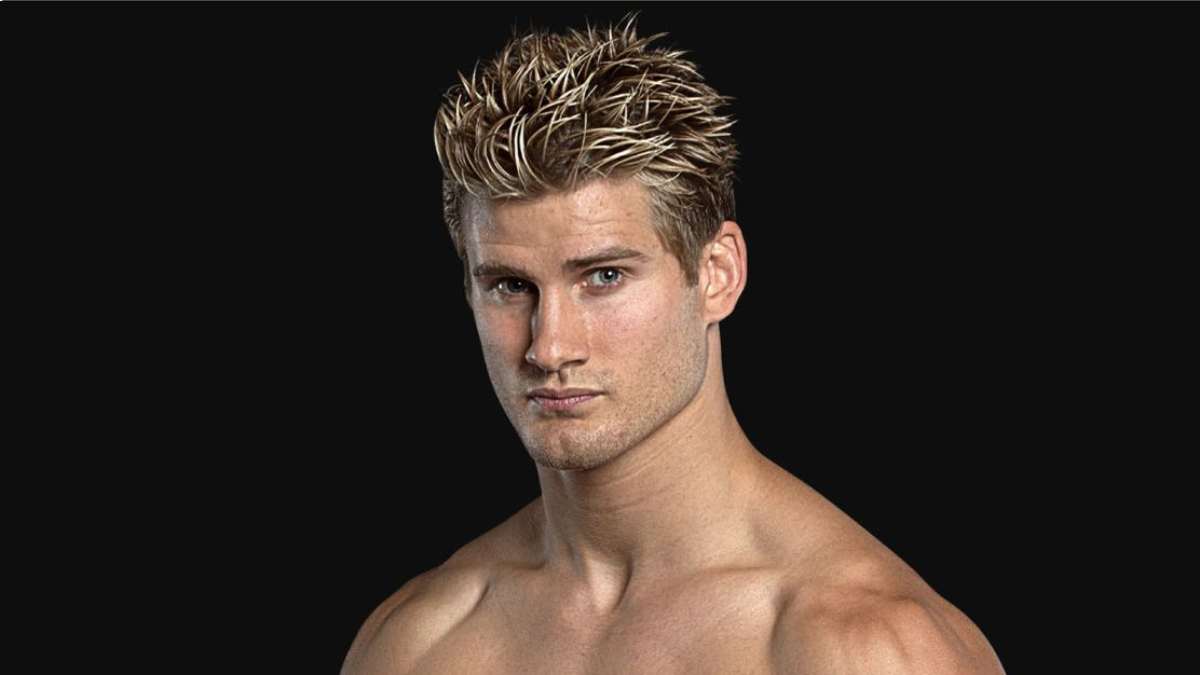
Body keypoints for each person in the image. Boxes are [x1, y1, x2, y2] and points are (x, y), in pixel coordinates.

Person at [343, 14, 1004, 675]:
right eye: (511, 286)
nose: (549, 347)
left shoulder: (862, 648)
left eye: (604, 276)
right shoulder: (421, 643)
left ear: (717, 275)